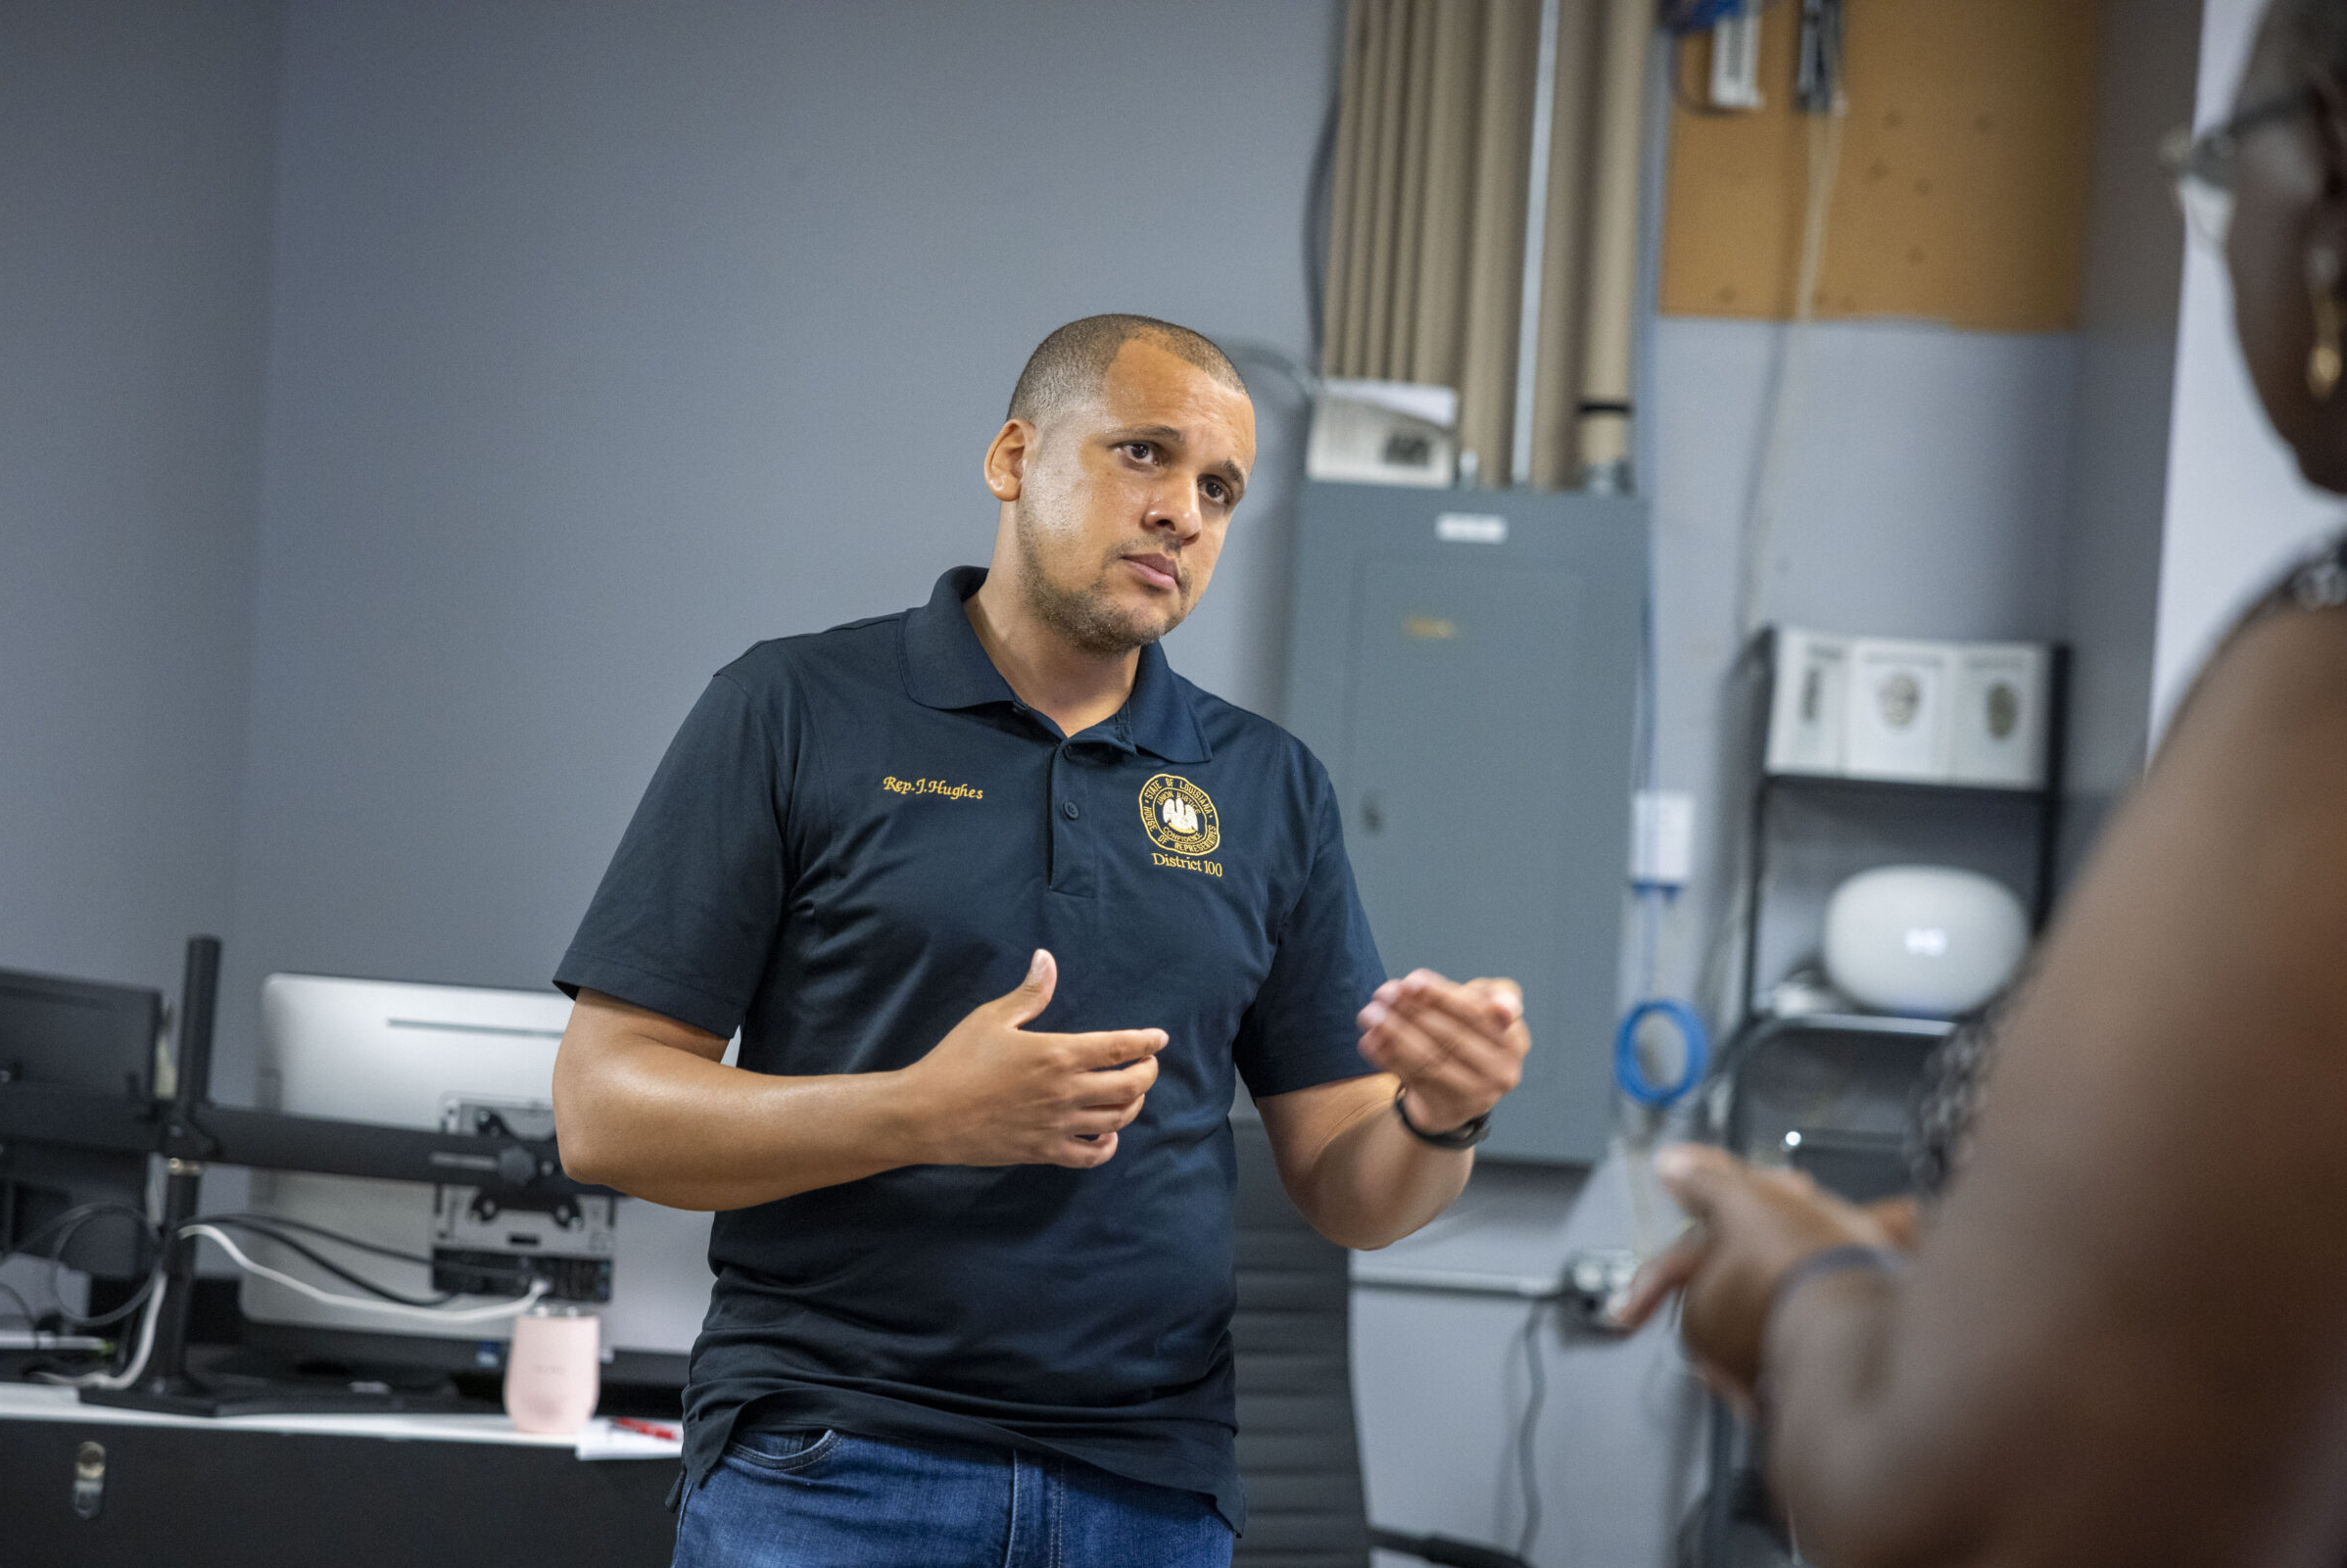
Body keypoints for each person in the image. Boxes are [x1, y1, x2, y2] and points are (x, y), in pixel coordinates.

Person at [550, 313, 1533, 1566]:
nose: (1182, 511)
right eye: (1144, 454)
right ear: (1014, 458)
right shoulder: (791, 708)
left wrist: (1440, 1115)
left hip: (1151, 1493)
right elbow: (603, 1109)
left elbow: (1352, 1189)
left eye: (1219, 488)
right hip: (835, 1464)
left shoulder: (1270, 787)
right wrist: (920, 1111)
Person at [1614, 4, 2347, 1563]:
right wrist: (1968, 1281)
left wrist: (1800, 1300)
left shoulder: (2326, 690)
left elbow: (1982, 1510)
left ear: (2330, 172)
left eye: (2226, 166)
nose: (2224, 243)